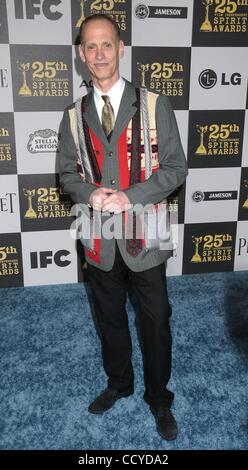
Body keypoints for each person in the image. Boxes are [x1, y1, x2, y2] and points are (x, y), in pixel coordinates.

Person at [59, 14, 187, 441]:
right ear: (81, 54)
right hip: (96, 235)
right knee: (109, 318)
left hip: (146, 233)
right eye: (90, 47)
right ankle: (119, 383)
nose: (99, 54)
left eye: (107, 45)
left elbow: (175, 168)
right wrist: (87, 193)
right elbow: (66, 174)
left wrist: (130, 196)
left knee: (156, 321)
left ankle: (158, 398)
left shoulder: (153, 103)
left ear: (120, 48)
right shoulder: (72, 114)